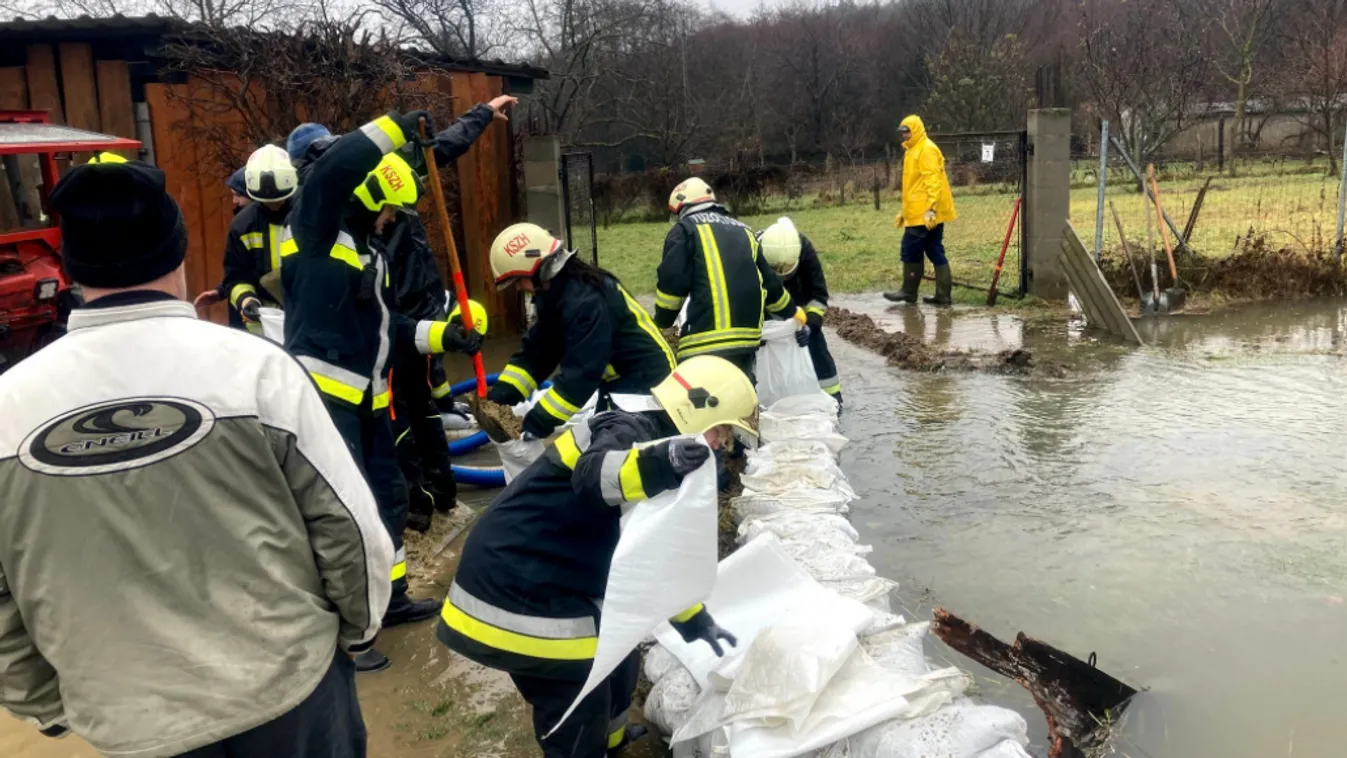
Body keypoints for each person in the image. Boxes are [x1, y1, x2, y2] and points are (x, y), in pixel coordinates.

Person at [0, 159, 393, 757]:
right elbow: (349, 529)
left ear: (72, 269)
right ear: (178, 254)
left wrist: (52, 706)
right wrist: (354, 634)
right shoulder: (255, 372)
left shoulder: (8, 410)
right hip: (289, 697)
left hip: (134, 722)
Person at [436, 355, 751, 757]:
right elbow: (592, 477)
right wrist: (661, 463)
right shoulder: (628, 428)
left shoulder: (658, 442)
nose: (720, 445)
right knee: (575, 697)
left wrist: (692, 620)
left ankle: (611, 741)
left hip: (550, 571)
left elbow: (654, 555)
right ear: (697, 409)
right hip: (518, 585)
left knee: (620, 660)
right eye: (721, 431)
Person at [281, 110, 490, 672]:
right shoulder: (315, 225)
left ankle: (389, 599)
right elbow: (338, 165)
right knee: (340, 513)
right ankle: (350, 634)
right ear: (367, 195)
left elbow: (388, 325)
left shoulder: (369, 250)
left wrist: (443, 335)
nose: (393, 217)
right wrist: (397, 125)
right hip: (326, 399)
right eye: (388, 207)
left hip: (369, 397)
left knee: (387, 498)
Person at [485, 223, 676, 439]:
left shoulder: (586, 300)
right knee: (601, 451)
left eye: (518, 280)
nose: (519, 288)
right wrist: (500, 399)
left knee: (620, 456)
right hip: (619, 380)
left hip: (648, 384)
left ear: (535, 267)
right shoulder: (556, 295)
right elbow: (539, 352)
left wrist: (537, 423)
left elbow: (581, 374)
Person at [653, 177, 808, 380]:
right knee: (739, 397)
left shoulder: (684, 231)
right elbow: (771, 287)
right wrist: (795, 314)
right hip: (746, 341)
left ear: (684, 207)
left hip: (703, 342)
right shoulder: (744, 230)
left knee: (697, 401)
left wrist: (661, 322)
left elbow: (672, 282)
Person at [193, 144, 298, 331]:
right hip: (264, 325)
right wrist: (246, 301)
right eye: (267, 201)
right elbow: (235, 277)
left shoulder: (308, 215)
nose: (273, 205)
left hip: (307, 316)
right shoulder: (243, 225)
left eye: (277, 200)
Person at [759, 217, 843, 406]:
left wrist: (810, 326)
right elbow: (743, 297)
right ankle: (766, 404)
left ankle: (832, 400)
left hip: (799, 313)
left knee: (815, 347)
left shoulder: (804, 250)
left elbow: (818, 295)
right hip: (764, 312)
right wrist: (755, 330)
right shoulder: (751, 253)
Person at [884, 115, 957, 306]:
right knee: (934, 249)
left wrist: (931, 209)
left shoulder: (926, 149)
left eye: (907, 131)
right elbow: (913, 186)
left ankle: (908, 292)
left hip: (925, 214)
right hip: (919, 212)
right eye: (902, 132)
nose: (904, 135)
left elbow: (933, 181)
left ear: (916, 130)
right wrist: (905, 212)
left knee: (910, 249)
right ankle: (943, 296)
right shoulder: (913, 149)